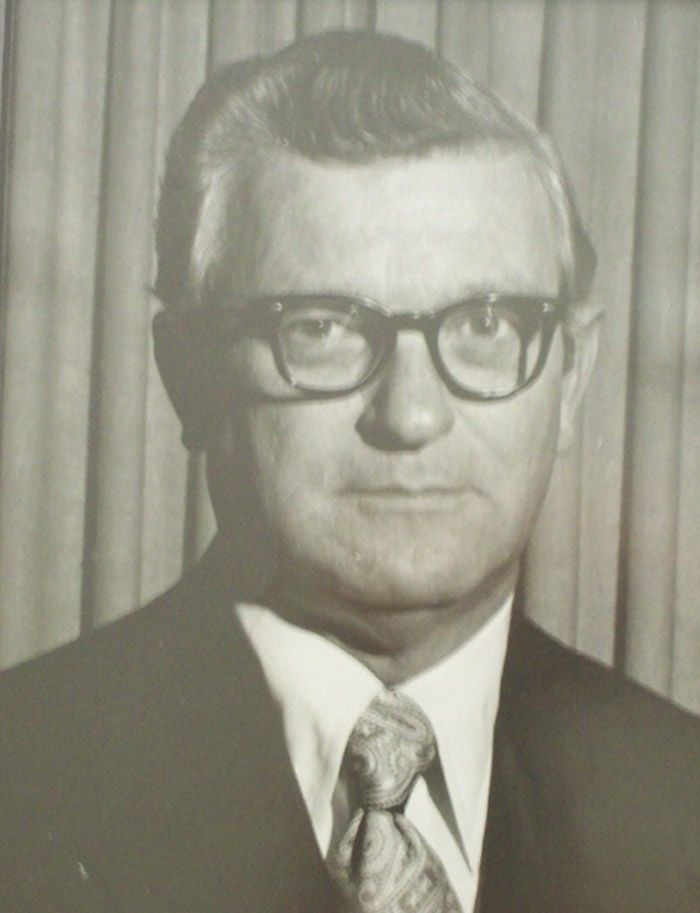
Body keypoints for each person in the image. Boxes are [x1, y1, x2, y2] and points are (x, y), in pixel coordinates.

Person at [0, 30, 697, 913]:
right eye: (323, 327)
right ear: (190, 373)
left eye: (486, 324)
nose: (410, 415)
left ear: (570, 378)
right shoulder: (21, 783)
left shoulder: (683, 806)